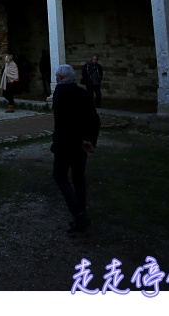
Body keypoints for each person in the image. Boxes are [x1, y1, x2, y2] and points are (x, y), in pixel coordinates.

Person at [51, 63, 99, 234]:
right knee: (79, 178)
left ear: (61, 78)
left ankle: (79, 215)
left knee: (60, 177)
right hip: (81, 145)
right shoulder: (83, 93)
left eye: (57, 76)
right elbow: (94, 120)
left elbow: (63, 123)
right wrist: (88, 140)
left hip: (65, 144)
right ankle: (81, 215)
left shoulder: (60, 93)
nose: (56, 79)